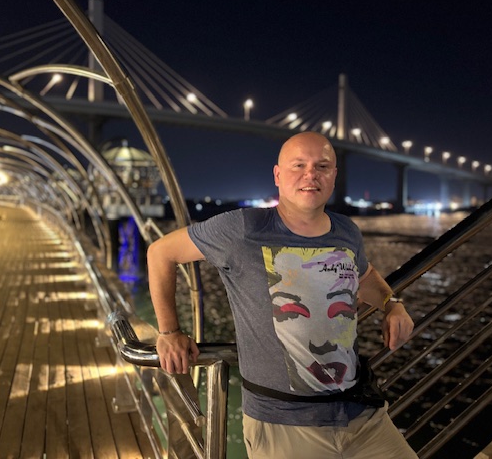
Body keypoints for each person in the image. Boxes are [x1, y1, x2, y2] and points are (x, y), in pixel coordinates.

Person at [147, 132, 417, 458]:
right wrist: (169, 332)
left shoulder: (347, 231)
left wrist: (391, 304)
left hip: (360, 413)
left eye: (322, 166)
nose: (310, 174)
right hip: (284, 423)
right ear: (277, 175)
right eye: (298, 165)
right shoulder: (243, 228)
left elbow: (364, 275)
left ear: (334, 175)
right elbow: (161, 252)